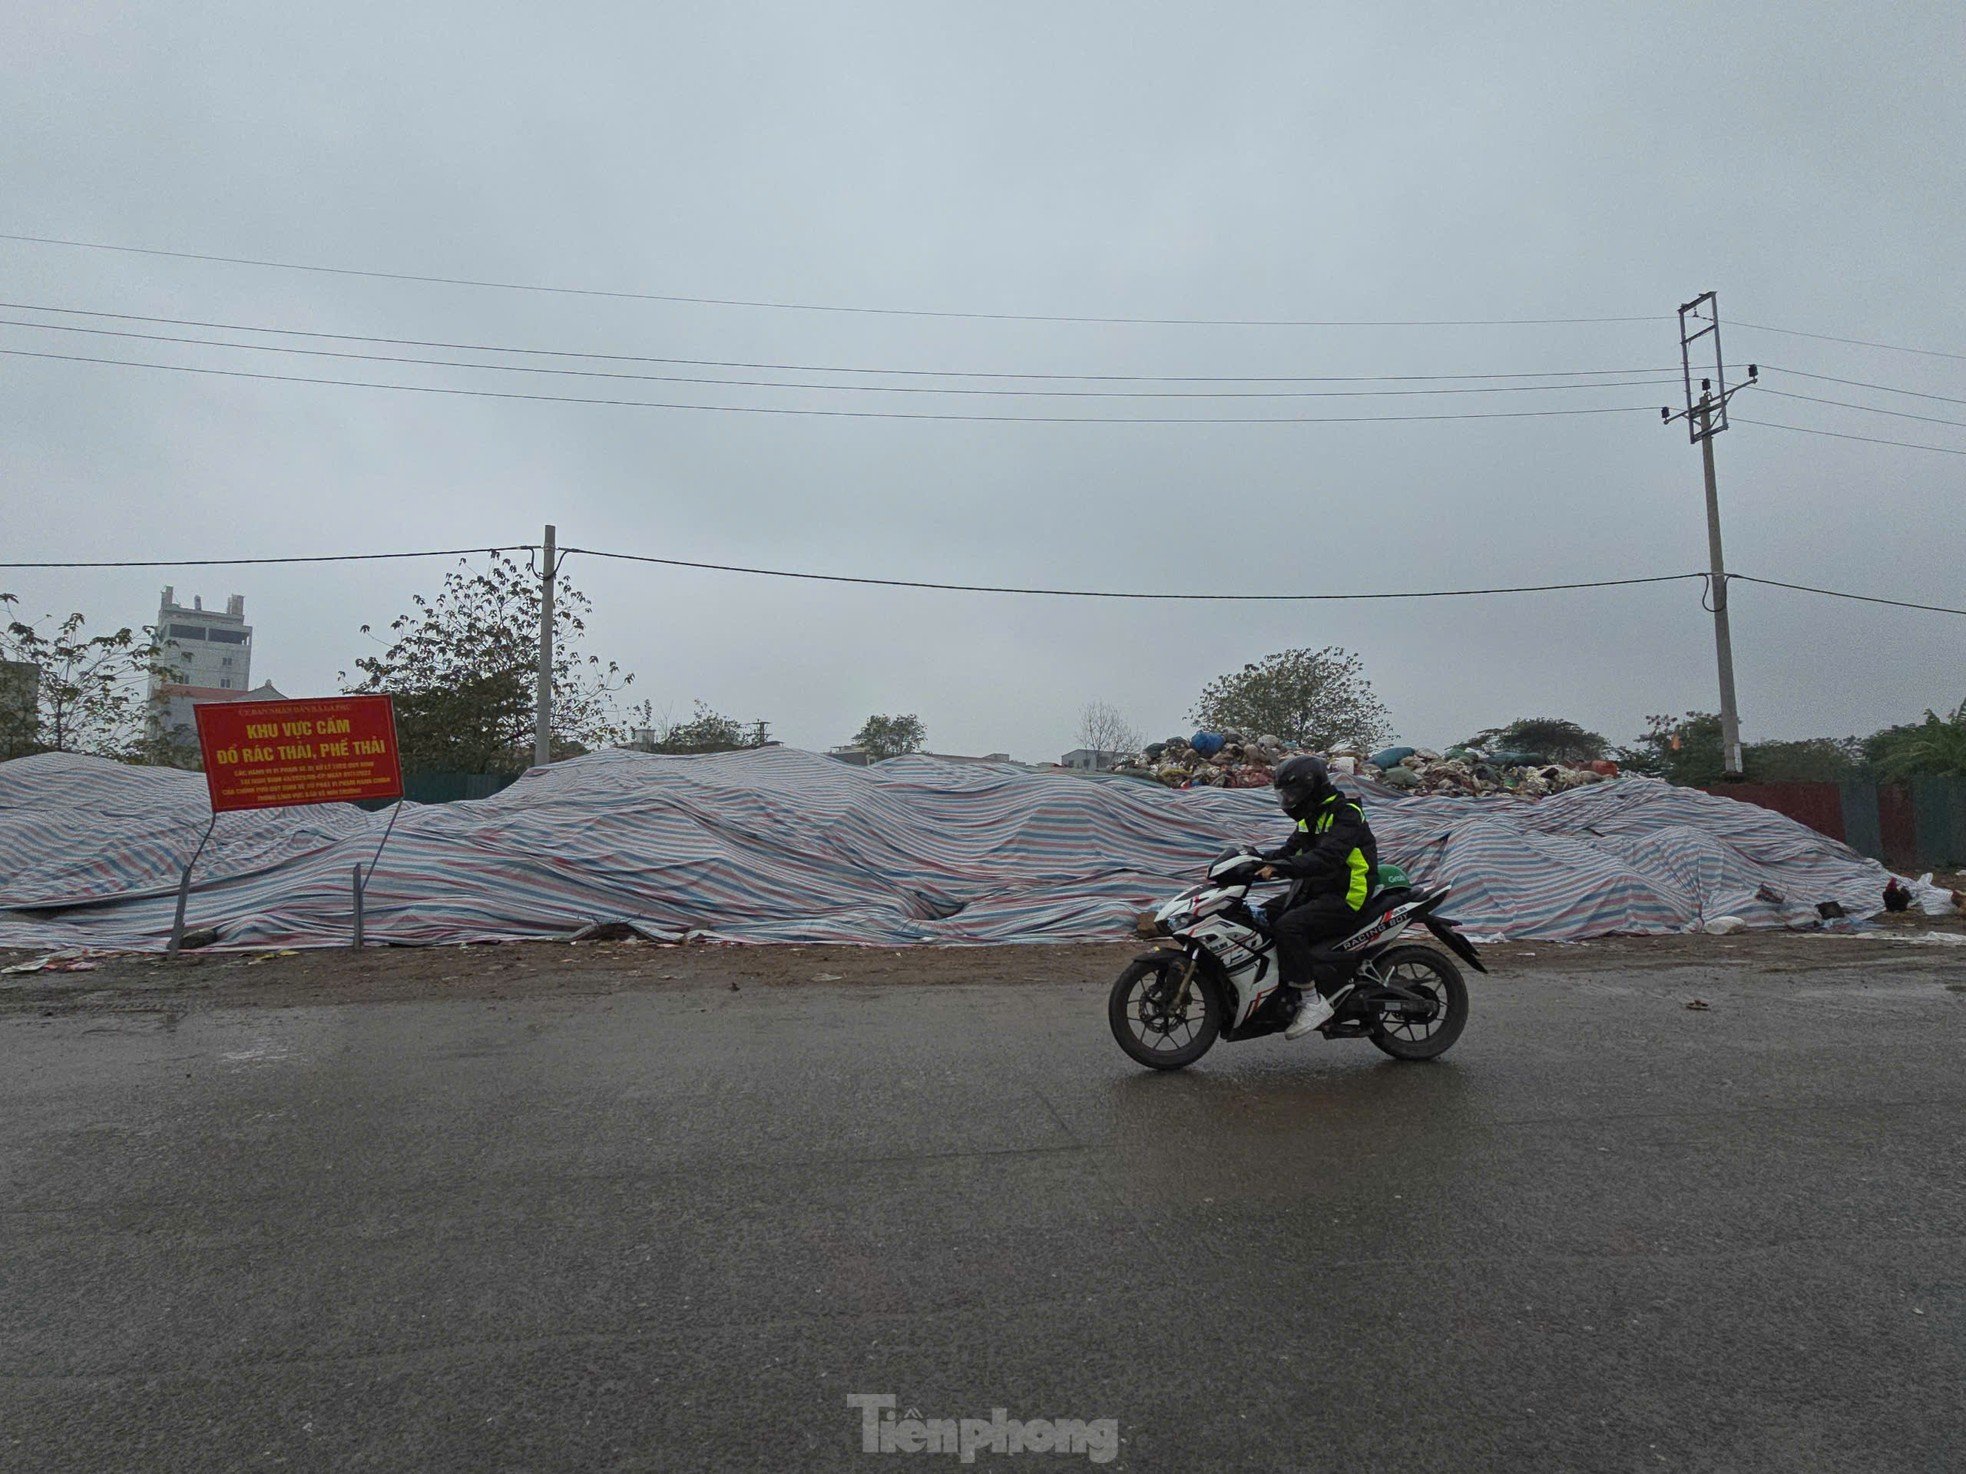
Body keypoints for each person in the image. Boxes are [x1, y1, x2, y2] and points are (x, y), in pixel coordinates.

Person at [1256, 754, 1379, 1039]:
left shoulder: (1346, 814)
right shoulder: (1311, 817)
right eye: (1284, 794)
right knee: (1262, 915)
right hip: (1317, 891)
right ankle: (1284, 987)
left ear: (1310, 787)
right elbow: (1288, 851)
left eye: (1291, 792)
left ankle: (1312, 1001)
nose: (1288, 800)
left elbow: (1327, 858)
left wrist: (1279, 868)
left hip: (1348, 894)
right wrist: (1250, 860)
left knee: (1290, 926)